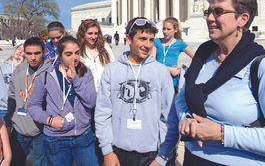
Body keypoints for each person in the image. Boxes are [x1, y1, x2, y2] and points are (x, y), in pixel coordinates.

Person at [176, 0, 265, 165]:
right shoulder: (202, 57)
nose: (209, 18)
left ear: (243, 19)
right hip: (193, 158)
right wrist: (186, 118)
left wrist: (222, 133)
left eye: (218, 11)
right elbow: (182, 97)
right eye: (208, 12)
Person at [95, 17, 178, 166]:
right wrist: (107, 151)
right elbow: (103, 113)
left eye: (151, 40)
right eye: (142, 39)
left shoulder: (161, 72)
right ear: (128, 39)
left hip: (152, 155)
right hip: (118, 153)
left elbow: (169, 118)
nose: (148, 45)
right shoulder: (111, 70)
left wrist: (162, 158)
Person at [27, 35, 99, 166]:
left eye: (77, 53)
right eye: (69, 54)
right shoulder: (46, 75)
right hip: (56, 138)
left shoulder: (85, 73)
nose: (74, 57)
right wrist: (49, 120)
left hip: (83, 134)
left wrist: (76, 80)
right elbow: (33, 106)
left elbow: (91, 102)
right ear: (60, 55)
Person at [4, 37, 51, 166]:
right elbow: (12, 96)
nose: (33, 57)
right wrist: (8, 121)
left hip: (40, 131)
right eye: (29, 53)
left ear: (44, 52)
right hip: (19, 128)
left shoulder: (51, 71)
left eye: (37, 53)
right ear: (24, 52)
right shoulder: (19, 70)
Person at [151, 17, 195, 91]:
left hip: (172, 82)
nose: (165, 31)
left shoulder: (180, 44)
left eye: (168, 29)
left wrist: (183, 68)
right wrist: (169, 69)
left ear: (175, 30)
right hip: (157, 80)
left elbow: (197, 58)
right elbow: (152, 62)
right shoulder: (156, 42)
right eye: (164, 28)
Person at [77, 19, 115, 92]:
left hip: (105, 92)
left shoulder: (105, 47)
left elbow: (113, 67)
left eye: (96, 33)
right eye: (90, 33)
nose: (93, 37)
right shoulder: (78, 50)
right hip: (87, 93)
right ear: (83, 34)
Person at [0, 45, 24, 119]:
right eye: (19, 49)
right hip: (3, 108)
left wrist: (19, 66)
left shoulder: (25, 68)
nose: (20, 51)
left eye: (23, 51)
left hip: (18, 109)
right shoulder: (3, 65)